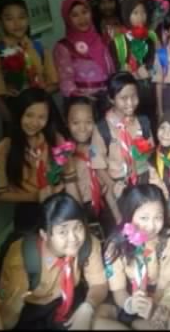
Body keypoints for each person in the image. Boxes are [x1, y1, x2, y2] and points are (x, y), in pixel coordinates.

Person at [0, 193, 108, 330]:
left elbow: (99, 284)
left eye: (78, 227)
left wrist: (88, 307)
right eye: (63, 232)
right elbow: (8, 316)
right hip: (31, 310)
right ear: (44, 235)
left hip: (68, 300)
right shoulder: (23, 258)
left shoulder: (88, 244)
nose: (73, 238)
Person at [94, 184, 170, 330]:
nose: (151, 226)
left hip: (156, 300)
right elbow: (118, 290)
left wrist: (153, 307)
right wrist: (130, 304)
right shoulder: (116, 245)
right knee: (97, 322)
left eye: (158, 217)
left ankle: (136, 324)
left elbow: (167, 283)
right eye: (144, 218)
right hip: (126, 301)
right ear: (129, 215)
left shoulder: (169, 239)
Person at [0, 88, 70, 235]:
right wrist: (35, 196)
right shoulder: (4, 149)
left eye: (41, 117)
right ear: (19, 113)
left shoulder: (56, 140)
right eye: (29, 115)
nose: (34, 123)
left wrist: (61, 187)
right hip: (28, 210)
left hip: (58, 203)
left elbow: (69, 173)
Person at [90, 72, 166, 219]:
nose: (130, 103)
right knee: (124, 223)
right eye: (123, 98)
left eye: (134, 96)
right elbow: (98, 165)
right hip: (118, 184)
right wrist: (113, 186)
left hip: (143, 179)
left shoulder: (143, 122)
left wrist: (143, 151)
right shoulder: (102, 129)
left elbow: (151, 152)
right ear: (111, 98)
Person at [0, 0, 58, 128]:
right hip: (15, 114)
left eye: (22, 17)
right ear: (0, 22)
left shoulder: (39, 48)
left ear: (28, 18)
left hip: (42, 111)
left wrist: (41, 90)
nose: (17, 23)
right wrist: (9, 119)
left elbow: (55, 83)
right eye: (9, 18)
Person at [63, 96, 117, 236]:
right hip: (78, 209)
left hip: (104, 204)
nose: (82, 128)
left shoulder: (101, 147)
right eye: (75, 122)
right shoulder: (63, 153)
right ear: (67, 123)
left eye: (88, 122)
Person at [53, 0, 114, 112]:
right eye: (75, 15)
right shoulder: (64, 47)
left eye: (84, 12)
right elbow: (66, 80)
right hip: (83, 104)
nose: (82, 18)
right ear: (67, 19)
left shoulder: (100, 40)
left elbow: (111, 70)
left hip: (107, 99)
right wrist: (80, 98)